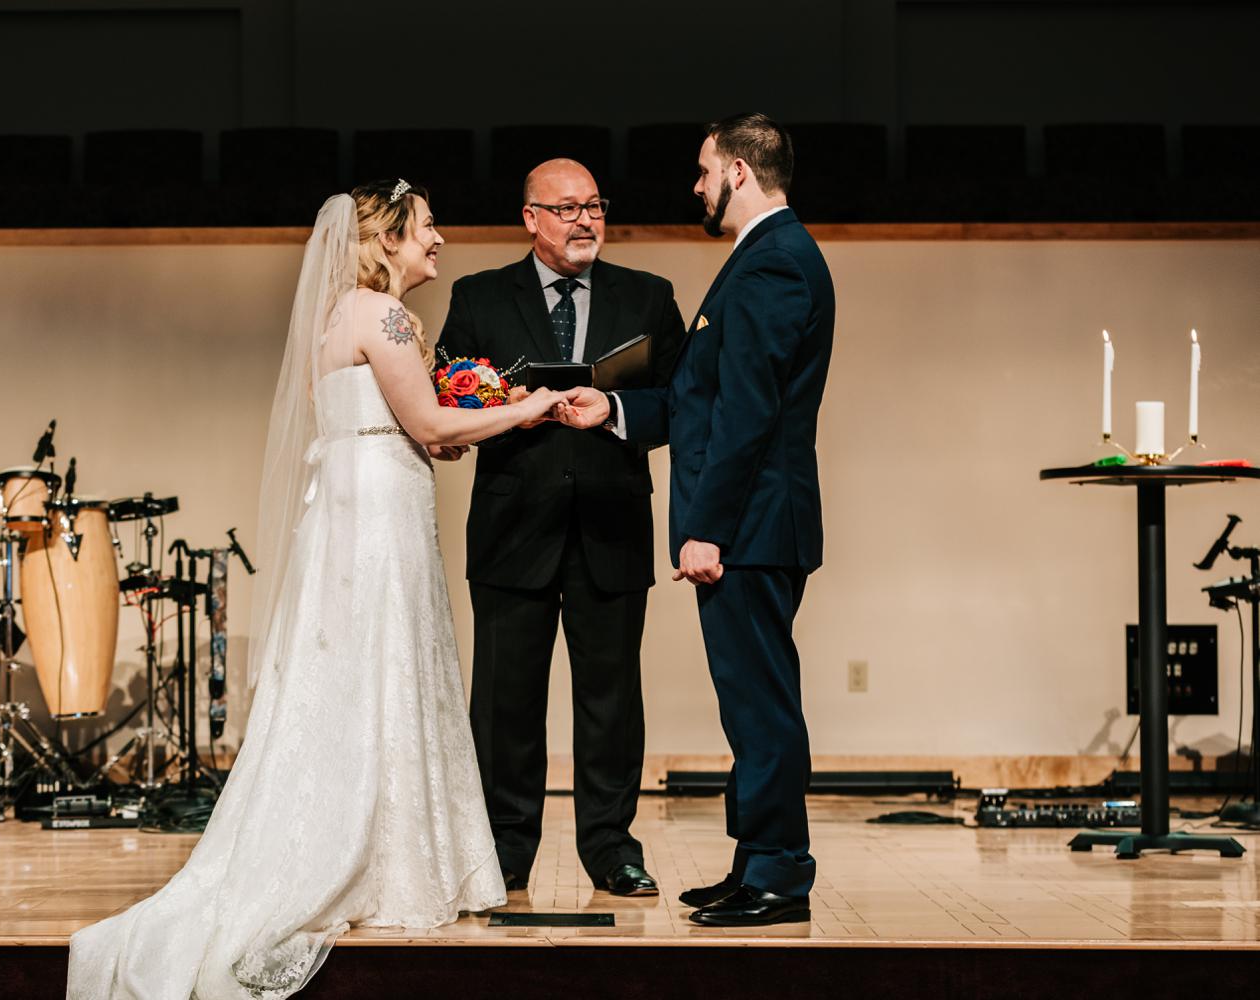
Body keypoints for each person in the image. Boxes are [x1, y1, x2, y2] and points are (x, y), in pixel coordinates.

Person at [67, 179, 568, 999]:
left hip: (346, 501)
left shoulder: (334, 317)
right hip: (378, 514)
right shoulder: (387, 315)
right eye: (426, 228)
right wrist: (529, 407)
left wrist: (447, 424)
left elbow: (379, 418)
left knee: (350, 676)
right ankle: (389, 862)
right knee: (390, 667)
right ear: (386, 240)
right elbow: (434, 425)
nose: (438, 241)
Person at [558, 114, 835, 926]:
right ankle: (755, 861)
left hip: (752, 524)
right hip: (748, 522)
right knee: (747, 702)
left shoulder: (774, 265)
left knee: (762, 705)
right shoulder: (760, 261)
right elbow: (695, 399)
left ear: (741, 173)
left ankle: (781, 873)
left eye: (704, 171)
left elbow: (748, 415)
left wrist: (707, 526)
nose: (697, 186)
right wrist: (608, 407)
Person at [436, 159, 684, 896]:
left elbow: (684, 401)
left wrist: (618, 411)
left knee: (610, 703)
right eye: (568, 208)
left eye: (595, 207)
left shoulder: (649, 296)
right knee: (506, 703)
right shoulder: (478, 297)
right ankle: (505, 849)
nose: (585, 221)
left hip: (611, 527)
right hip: (514, 527)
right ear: (531, 218)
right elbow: (450, 393)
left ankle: (611, 849)